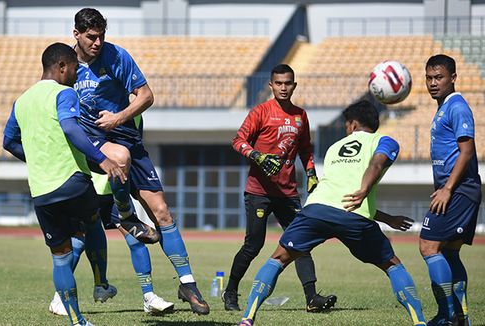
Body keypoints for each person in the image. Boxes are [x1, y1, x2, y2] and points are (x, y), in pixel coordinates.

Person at [237, 100, 427, 326]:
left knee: (278, 259)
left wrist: (386, 216)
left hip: (316, 209)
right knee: (392, 265)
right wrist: (365, 190)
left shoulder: (334, 148)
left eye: (347, 124)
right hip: (353, 217)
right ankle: (419, 322)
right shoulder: (385, 141)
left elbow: (341, 194)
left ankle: (247, 318)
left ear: (353, 124)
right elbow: (374, 168)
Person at [71, 7, 209, 315]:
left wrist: (118, 118)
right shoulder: (66, 65)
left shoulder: (116, 56)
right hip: (95, 145)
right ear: (76, 35)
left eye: (101, 36)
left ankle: (187, 283)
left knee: (161, 211)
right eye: (91, 37)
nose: (97, 42)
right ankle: (125, 216)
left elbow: (146, 96)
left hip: (128, 140)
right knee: (85, 223)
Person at [3, 42, 127, 326]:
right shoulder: (64, 92)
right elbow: (70, 127)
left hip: (42, 192)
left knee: (60, 256)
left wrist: (35, 159)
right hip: (71, 180)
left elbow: (8, 142)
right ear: (61, 67)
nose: (76, 73)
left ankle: (77, 321)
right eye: (74, 68)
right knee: (93, 221)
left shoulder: (21, 101)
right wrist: (102, 159)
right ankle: (101, 283)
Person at [224, 64, 336, 312]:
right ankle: (230, 291)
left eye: (288, 83)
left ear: (294, 85)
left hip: (288, 194)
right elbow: (237, 141)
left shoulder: (300, 116)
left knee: (301, 244)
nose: (283, 88)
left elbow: (306, 150)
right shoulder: (260, 112)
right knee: (254, 245)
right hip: (259, 192)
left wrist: (311, 174)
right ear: (271, 85)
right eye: (279, 83)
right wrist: (258, 156)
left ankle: (311, 299)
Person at [48, 172, 175, 316]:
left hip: (113, 189)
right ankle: (60, 298)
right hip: (86, 188)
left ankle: (148, 297)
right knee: (79, 240)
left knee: (135, 239)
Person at [420, 54, 481, 326]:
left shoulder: (457, 106)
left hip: (459, 189)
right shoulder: (443, 106)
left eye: (439, 77)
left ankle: (446, 316)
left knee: (428, 246)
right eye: (429, 78)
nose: (433, 83)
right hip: (457, 189)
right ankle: (460, 318)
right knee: (449, 252)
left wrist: (447, 188)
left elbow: (466, 151)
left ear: (453, 78)